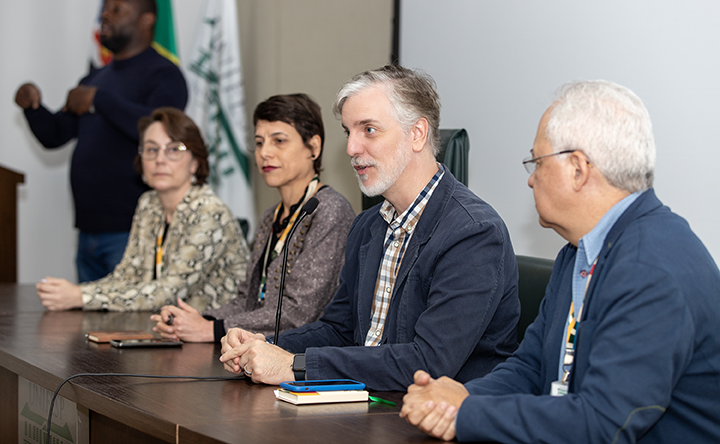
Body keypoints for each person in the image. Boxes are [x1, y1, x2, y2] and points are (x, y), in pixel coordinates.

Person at [400, 80, 720, 443]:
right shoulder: (579, 250)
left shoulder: (651, 266)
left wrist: (466, 412)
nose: (531, 179)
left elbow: (602, 423)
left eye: (537, 162)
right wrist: (462, 399)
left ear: (579, 169)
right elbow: (532, 366)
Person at [219, 65, 519, 391]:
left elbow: (428, 363)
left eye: (369, 130)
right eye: (349, 132)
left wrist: (294, 365)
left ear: (417, 133)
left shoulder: (473, 233)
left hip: (438, 419)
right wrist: (263, 342)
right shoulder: (368, 226)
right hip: (371, 404)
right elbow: (340, 329)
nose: (351, 149)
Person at [15, 0, 188, 283]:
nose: (104, 15)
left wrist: (99, 101)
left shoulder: (163, 73)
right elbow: (56, 134)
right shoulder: (96, 77)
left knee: (130, 328)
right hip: (87, 232)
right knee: (87, 328)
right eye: (105, 8)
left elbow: (162, 130)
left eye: (117, 9)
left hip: (134, 230)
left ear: (146, 20)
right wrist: (33, 108)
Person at [149, 94, 356, 342]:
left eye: (278, 141)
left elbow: (298, 314)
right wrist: (198, 320)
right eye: (259, 143)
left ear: (313, 147)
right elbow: (247, 300)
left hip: (304, 356)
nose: (265, 152)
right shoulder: (272, 215)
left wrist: (210, 330)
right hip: (259, 346)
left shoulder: (329, 210)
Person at [35, 108, 248, 312]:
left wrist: (81, 297)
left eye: (174, 149)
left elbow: (169, 292)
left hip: (219, 339)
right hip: (165, 331)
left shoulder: (209, 211)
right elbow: (127, 277)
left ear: (195, 162)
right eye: (152, 149)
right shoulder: (149, 203)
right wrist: (73, 292)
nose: (160, 159)